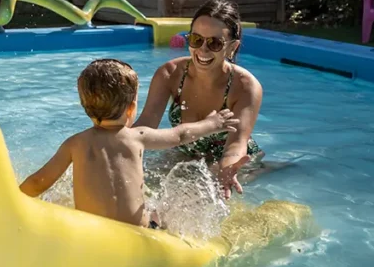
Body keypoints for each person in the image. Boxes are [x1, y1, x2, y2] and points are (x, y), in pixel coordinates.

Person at [18, 59, 239, 227]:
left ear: (84, 106)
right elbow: (180, 135)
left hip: (92, 231)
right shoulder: (138, 136)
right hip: (138, 231)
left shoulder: (75, 144)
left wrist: (13, 199)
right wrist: (213, 123)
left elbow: (39, 182)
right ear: (131, 107)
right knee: (161, 215)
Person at [134, 0, 263, 200]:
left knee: (201, 190)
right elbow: (144, 127)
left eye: (214, 43)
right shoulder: (170, 74)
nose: (203, 50)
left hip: (232, 161)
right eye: (196, 39)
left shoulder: (245, 86)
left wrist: (227, 169)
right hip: (185, 153)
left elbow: (236, 144)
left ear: (232, 47)